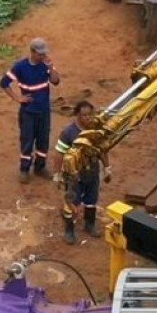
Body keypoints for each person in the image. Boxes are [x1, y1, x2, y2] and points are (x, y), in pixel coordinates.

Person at [0, 36, 61, 180]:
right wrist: (17, 98)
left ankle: (40, 167)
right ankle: (24, 170)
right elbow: (4, 83)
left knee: (43, 140)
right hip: (28, 112)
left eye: (44, 53)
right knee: (27, 141)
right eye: (40, 54)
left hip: (44, 111)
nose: (43, 56)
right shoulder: (20, 67)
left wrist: (51, 68)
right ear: (32, 52)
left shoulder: (46, 65)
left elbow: (55, 81)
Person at [55, 101, 104, 243]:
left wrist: (107, 168)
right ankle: (69, 230)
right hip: (74, 176)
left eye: (90, 115)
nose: (87, 118)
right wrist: (57, 174)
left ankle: (90, 224)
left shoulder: (95, 130)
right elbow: (59, 154)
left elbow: (102, 150)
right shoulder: (68, 133)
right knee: (71, 203)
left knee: (91, 200)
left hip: (92, 173)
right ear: (77, 115)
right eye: (84, 115)